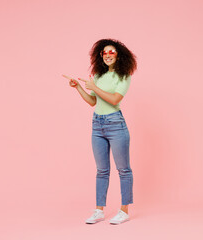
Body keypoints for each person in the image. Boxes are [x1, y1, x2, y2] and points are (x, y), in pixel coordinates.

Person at [62, 38, 137, 224]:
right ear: (100, 56)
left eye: (112, 52)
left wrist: (94, 87)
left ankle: (124, 210)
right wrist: (79, 87)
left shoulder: (124, 76)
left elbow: (114, 99)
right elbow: (93, 102)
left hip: (115, 123)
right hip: (97, 124)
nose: (108, 55)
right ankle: (99, 210)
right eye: (104, 52)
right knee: (102, 170)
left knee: (123, 169)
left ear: (119, 55)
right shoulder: (98, 76)